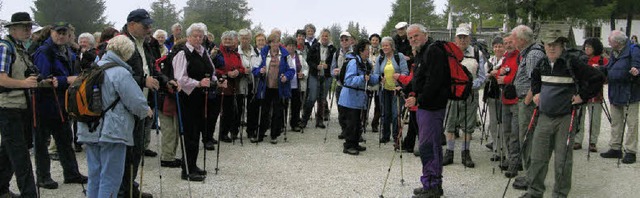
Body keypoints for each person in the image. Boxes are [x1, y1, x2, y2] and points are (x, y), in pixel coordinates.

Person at [525, 28, 605, 198]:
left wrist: (582, 96)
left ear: (562, 46)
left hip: (566, 117)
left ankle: (560, 194)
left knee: (562, 160)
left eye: (556, 45)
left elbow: (597, 78)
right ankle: (534, 192)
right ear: (544, 46)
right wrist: (536, 92)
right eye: (548, 45)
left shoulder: (572, 63)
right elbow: (534, 78)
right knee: (538, 157)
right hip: (544, 116)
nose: (551, 48)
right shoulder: (542, 63)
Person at [77, 35, 153, 198]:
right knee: (111, 177)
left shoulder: (93, 67)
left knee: (95, 175)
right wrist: (146, 110)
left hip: (89, 127)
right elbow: (136, 102)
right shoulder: (120, 72)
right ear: (127, 54)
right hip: (112, 131)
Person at [119, 9, 175, 198]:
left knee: (137, 149)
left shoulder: (146, 45)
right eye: (145, 25)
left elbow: (153, 69)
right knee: (126, 151)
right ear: (132, 25)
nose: (149, 29)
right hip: (124, 106)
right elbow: (115, 74)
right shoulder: (120, 44)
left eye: (150, 25)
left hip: (142, 104)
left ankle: (130, 188)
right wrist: (143, 80)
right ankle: (123, 191)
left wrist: (166, 81)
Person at [32, 22, 88, 190]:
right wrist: (65, 80)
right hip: (44, 103)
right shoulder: (45, 51)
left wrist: (68, 79)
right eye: (58, 32)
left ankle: (71, 173)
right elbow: (42, 78)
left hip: (62, 102)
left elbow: (74, 73)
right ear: (51, 32)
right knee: (41, 142)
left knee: (65, 139)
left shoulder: (67, 51)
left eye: (64, 33)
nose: (61, 35)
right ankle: (43, 177)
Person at [173, 22, 223, 181]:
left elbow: (211, 72)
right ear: (188, 37)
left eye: (201, 36)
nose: (198, 38)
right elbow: (180, 78)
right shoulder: (182, 53)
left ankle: (192, 165)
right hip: (187, 99)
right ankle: (186, 170)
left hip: (202, 98)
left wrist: (217, 81)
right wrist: (198, 83)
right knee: (190, 134)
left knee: (197, 132)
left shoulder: (204, 52)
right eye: (195, 36)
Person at [0, 12, 39, 198]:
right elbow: (1, 80)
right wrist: (25, 84)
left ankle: (1, 188)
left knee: (8, 151)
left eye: (30, 26)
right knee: (20, 154)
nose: (28, 30)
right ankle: (29, 194)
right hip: (8, 107)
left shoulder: (19, 48)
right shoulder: (5, 47)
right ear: (12, 29)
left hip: (18, 107)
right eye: (24, 26)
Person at [404, 23, 445, 198]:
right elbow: (420, 80)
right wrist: (409, 90)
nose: (413, 39)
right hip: (426, 106)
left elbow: (435, 81)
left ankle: (432, 186)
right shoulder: (423, 53)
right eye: (410, 37)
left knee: (428, 146)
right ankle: (431, 182)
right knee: (430, 145)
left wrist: (418, 98)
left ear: (425, 35)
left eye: (416, 36)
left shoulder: (433, 51)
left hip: (432, 107)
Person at [442, 23, 486, 168]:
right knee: (450, 124)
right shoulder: (449, 53)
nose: (462, 40)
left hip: (470, 94)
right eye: (460, 37)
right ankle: (449, 152)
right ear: (455, 38)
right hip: (452, 94)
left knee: (468, 125)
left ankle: (465, 153)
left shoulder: (477, 53)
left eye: (465, 37)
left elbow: (481, 77)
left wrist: (468, 86)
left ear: (469, 38)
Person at [511, 25, 546, 191]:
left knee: (528, 138)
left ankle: (532, 177)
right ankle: (529, 174)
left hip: (529, 103)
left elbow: (537, 81)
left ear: (522, 40)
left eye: (514, 38)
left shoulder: (533, 54)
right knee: (526, 137)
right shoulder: (530, 52)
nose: (512, 41)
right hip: (526, 101)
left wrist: (526, 101)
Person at [599, 30, 640, 164]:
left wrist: (636, 70)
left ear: (618, 42)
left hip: (630, 92)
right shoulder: (614, 53)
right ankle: (615, 148)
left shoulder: (633, 50)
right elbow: (609, 67)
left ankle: (630, 151)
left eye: (610, 40)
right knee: (616, 122)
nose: (609, 42)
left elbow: (637, 65)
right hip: (615, 91)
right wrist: (598, 69)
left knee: (631, 123)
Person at [338, 39, 379, 155]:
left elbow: (369, 79)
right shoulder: (353, 62)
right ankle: (348, 145)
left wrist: (379, 79)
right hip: (350, 98)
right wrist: (362, 78)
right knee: (351, 123)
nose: (369, 52)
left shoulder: (366, 63)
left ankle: (355, 143)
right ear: (361, 50)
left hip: (358, 98)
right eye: (367, 50)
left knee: (357, 122)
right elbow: (348, 80)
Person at [253, 34, 294, 144]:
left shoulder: (285, 54)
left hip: (279, 87)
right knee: (264, 111)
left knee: (277, 111)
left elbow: (291, 70)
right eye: (273, 42)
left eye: (277, 42)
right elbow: (255, 69)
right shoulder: (263, 53)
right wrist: (260, 71)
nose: (275, 44)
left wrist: (286, 76)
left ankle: (274, 135)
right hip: (266, 87)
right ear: (269, 43)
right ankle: (260, 134)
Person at [574, 38, 609, 152]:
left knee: (595, 119)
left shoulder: (602, 61)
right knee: (579, 117)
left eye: (590, 46)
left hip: (595, 94)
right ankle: (578, 140)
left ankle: (593, 142)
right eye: (586, 46)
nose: (586, 48)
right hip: (581, 92)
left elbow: (606, 78)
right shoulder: (580, 59)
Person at [374, 36, 409, 145]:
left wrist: (399, 78)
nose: (384, 47)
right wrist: (380, 79)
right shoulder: (380, 58)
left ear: (392, 46)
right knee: (385, 113)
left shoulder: (399, 56)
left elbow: (405, 72)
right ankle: (385, 135)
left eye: (387, 45)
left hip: (396, 90)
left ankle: (396, 137)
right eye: (383, 45)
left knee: (396, 114)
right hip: (384, 90)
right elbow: (376, 73)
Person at [496, 35, 521, 178]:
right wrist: (501, 74)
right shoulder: (505, 58)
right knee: (506, 131)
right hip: (505, 99)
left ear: (516, 42)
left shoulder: (520, 57)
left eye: (510, 42)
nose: (508, 45)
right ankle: (510, 158)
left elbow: (521, 77)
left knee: (515, 133)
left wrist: (504, 78)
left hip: (517, 100)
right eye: (505, 43)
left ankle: (514, 162)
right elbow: (499, 72)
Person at [213, 31, 246, 142]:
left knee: (228, 112)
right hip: (219, 86)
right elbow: (213, 69)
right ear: (222, 40)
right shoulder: (217, 53)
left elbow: (242, 68)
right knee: (215, 112)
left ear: (233, 41)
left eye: (230, 39)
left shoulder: (235, 54)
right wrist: (226, 74)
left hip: (232, 88)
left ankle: (224, 134)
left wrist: (238, 72)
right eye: (225, 39)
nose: (227, 41)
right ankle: (209, 137)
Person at [300, 29, 336, 129]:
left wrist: (327, 66)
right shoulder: (315, 46)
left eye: (327, 36)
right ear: (320, 36)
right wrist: (316, 66)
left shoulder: (333, 49)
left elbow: (334, 63)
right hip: (314, 75)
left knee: (322, 99)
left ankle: (319, 121)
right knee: (312, 97)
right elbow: (309, 61)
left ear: (329, 37)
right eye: (323, 36)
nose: (325, 38)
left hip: (326, 76)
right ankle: (304, 120)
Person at [238, 29, 262, 140]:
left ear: (250, 39)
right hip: (240, 83)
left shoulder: (256, 52)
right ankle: (235, 130)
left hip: (253, 83)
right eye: (242, 38)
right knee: (238, 108)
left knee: (252, 108)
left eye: (247, 38)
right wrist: (242, 70)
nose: (244, 40)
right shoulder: (236, 51)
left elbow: (259, 65)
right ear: (239, 39)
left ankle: (251, 131)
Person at [484, 36, 505, 163]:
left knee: (502, 122)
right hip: (492, 94)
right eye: (496, 46)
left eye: (500, 46)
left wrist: (495, 73)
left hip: (502, 94)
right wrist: (490, 74)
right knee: (493, 122)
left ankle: (502, 148)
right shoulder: (490, 61)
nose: (498, 48)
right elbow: (484, 75)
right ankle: (496, 147)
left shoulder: (506, 60)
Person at [284, 37, 309, 132]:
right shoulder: (283, 57)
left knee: (296, 105)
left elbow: (306, 68)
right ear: (285, 47)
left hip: (296, 85)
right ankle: (282, 124)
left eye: (293, 45)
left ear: (295, 47)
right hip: (285, 85)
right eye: (289, 45)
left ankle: (294, 124)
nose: (291, 47)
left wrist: (303, 74)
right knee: (284, 105)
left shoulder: (300, 57)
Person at [332, 32, 353, 137]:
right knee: (341, 110)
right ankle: (344, 130)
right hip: (340, 85)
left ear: (350, 40)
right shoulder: (336, 53)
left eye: (346, 39)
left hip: (351, 86)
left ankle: (353, 131)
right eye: (342, 40)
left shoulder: (355, 53)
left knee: (352, 110)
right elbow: (332, 69)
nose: (344, 42)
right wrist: (334, 72)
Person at [368, 33, 382, 133]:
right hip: (368, 79)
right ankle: (363, 121)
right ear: (370, 41)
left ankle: (375, 123)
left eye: (376, 40)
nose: (375, 42)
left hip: (379, 79)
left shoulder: (382, 52)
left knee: (378, 103)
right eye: (373, 40)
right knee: (366, 102)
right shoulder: (366, 51)